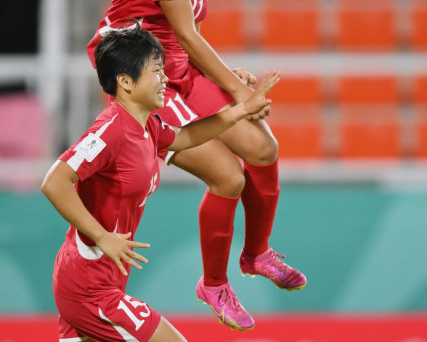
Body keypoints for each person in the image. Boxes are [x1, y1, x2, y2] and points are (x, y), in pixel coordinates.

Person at [87, 0, 306, 331]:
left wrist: (233, 78)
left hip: (178, 68)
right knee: (228, 176)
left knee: (264, 149)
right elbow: (182, 33)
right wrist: (240, 92)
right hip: (143, 80)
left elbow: (189, 37)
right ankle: (213, 283)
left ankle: (256, 254)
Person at [42, 26, 279, 342]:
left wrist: (239, 111)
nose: (165, 80)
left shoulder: (147, 127)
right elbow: (55, 181)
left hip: (103, 280)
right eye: (156, 71)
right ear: (125, 82)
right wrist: (102, 236)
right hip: (89, 288)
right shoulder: (110, 131)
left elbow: (189, 136)